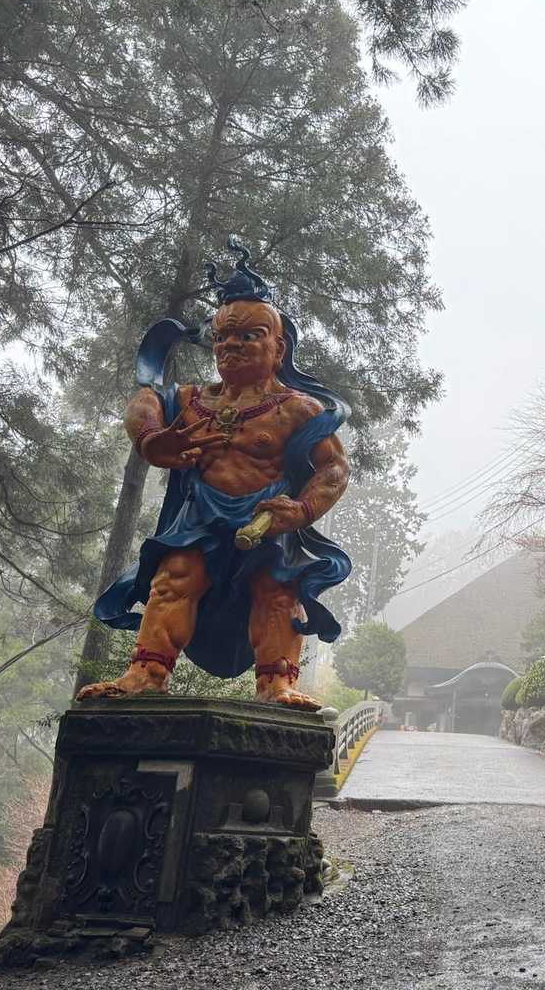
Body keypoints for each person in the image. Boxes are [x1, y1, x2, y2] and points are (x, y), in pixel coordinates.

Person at [79, 242, 351, 710]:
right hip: (200, 515)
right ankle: (146, 674)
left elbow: (335, 467)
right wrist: (151, 438)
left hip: (266, 518)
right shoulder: (191, 401)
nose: (231, 345)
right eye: (223, 337)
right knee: (174, 579)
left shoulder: (297, 409)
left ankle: (276, 685)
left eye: (249, 335)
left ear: (278, 347)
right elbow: (144, 399)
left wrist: (301, 509)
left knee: (277, 591)